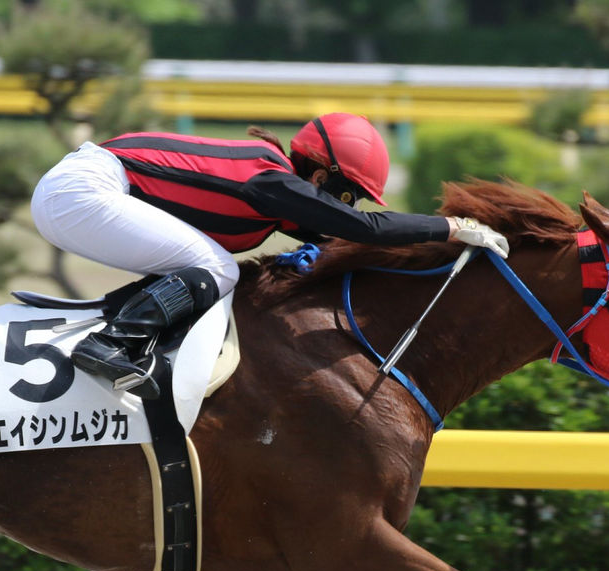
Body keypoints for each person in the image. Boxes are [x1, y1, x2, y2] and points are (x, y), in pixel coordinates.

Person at [30, 112, 509, 398]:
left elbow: (342, 240)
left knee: (205, 264)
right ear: (319, 178)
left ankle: (119, 330)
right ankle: (110, 344)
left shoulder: (271, 193)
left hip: (79, 189)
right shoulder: (271, 179)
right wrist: (453, 227)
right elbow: (362, 228)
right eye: (348, 196)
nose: (348, 207)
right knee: (216, 268)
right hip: (82, 188)